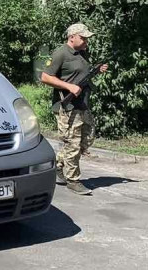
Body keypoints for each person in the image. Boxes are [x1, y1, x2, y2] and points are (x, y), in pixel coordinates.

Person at [40, 23, 108, 196]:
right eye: (83, 38)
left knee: (87, 138)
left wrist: (98, 70)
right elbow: (45, 77)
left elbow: (82, 74)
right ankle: (73, 180)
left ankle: (57, 164)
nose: (86, 41)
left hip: (83, 104)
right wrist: (68, 87)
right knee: (73, 143)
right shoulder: (61, 53)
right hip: (68, 107)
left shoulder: (82, 53)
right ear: (72, 37)